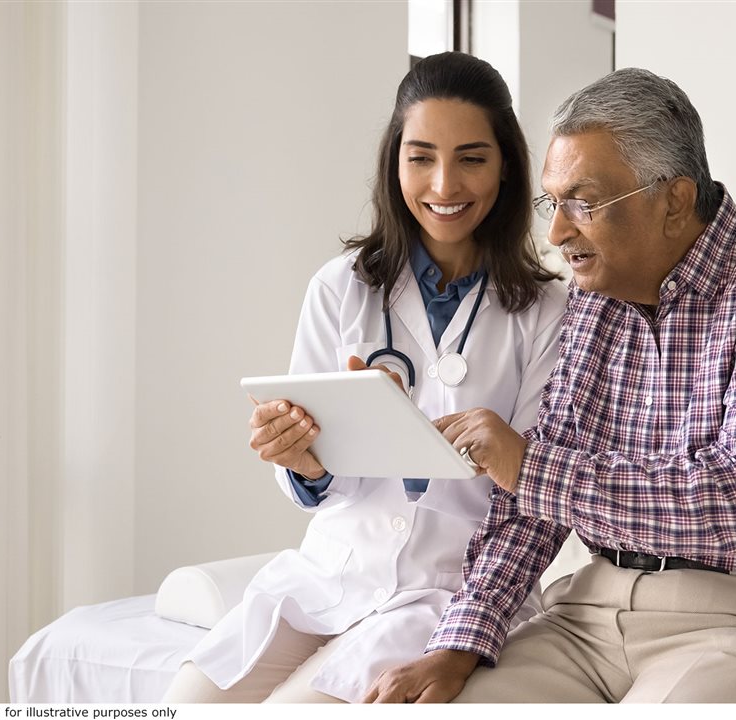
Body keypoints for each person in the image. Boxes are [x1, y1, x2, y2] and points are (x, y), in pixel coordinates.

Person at [362, 68, 736, 704]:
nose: (556, 233)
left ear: (674, 201)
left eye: (585, 203)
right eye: (553, 203)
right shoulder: (595, 301)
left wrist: (531, 467)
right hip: (591, 613)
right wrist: (459, 643)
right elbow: (531, 504)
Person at [162, 52, 567, 703]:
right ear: (394, 160)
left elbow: (533, 486)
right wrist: (300, 456)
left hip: (449, 584)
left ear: (507, 167)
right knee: (188, 702)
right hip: (331, 570)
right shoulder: (341, 289)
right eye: (421, 156)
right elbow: (315, 473)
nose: (443, 183)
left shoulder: (546, 311)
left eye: (471, 157)